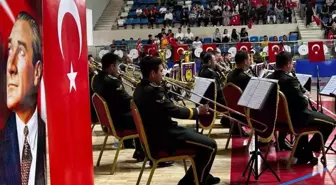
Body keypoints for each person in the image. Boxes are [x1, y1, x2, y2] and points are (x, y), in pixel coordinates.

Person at [133, 56, 220, 185]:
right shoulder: (154, 92)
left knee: (199, 137)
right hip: (164, 137)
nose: (163, 74)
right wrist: (197, 111)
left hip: (158, 133)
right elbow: (175, 111)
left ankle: (199, 175)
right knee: (211, 145)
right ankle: (196, 181)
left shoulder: (141, 88)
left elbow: (165, 108)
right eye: (161, 71)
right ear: (152, 73)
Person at [0, 12, 46, 185]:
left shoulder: (53, 136)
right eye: (10, 49)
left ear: (37, 72)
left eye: (20, 51)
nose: (10, 67)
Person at [267, 51, 335, 164]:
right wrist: (305, 95)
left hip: (277, 120)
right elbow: (302, 103)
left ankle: (301, 151)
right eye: (292, 63)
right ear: (288, 64)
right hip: (295, 119)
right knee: (331, 122)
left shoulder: (269, 77)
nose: (293, 65)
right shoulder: (290, 80)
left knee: (310, 117)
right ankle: (306, 152)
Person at [92, 53, 145, 162]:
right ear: (112, 67)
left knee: (139, 113)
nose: (119, 70)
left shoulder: (97, 78)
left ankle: (136, 147)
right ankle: (146, 152)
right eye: (117, 67)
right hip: (118, 120)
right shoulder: (113, 82)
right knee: (146, 116)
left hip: (110, 119)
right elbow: (128, 101)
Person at [225, 51, 252, 137]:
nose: (250, 61)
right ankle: (264, 139)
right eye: (249, 59)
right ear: (245, 61)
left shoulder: (229, 75)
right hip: (244, 113)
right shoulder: (245, 77)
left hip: (232, 111)